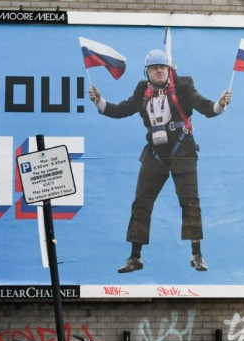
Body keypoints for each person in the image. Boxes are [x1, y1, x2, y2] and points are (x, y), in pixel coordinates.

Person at [88, 49, 232, 273]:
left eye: (163, 67)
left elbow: (204, 106)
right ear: (147, 71)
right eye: (154, 68)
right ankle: (135, 257)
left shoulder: (184, 85)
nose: (159, 70)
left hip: (182, 151)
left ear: (169, 70)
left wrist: (220, 104)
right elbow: (122, 109)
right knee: (141, 202)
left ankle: (197, 255)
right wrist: (100, 101)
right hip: (155, 153)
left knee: (190, 202)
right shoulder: (141, 90)